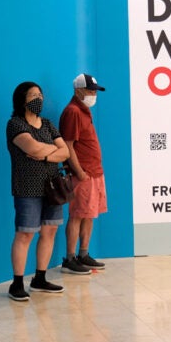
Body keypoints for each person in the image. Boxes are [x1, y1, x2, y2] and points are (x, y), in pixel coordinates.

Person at [6, 81, 70, 301]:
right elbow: (31, 147)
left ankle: (40, 278)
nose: (39, 99)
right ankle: (17, 283)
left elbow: (66, 152)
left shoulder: (48, 124)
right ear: (22, 99)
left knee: (49, 230)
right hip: (27, 187)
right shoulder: (15, 124)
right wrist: (51, 150)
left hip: (52, 186)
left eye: (40, 95)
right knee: (25, 234)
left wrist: (43, 155)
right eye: (33, 95)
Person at [59, 73, 108, 274]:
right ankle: (70, 258)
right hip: (83, 174)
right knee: (78, 214)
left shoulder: (84, 110)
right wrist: (78, 171)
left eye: (94, 91)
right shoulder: (73, 112)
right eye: (90, 91)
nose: (93, 94)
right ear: (78, 90)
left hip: (95, 172)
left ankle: (83, 254)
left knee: (90, 214)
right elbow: (68, 145)